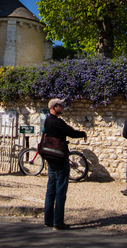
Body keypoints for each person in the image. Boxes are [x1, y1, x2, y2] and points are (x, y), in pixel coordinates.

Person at [43, 98, 87, 230]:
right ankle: (58, 222)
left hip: (50, 157)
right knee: (60, 190)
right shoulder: (57, 122)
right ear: (54, 107)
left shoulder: (47, 121)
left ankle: (48, 219)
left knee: (51, 188)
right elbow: (71, 133)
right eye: (60, 106)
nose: (62, 107)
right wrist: (83, 133)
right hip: (60, 158)